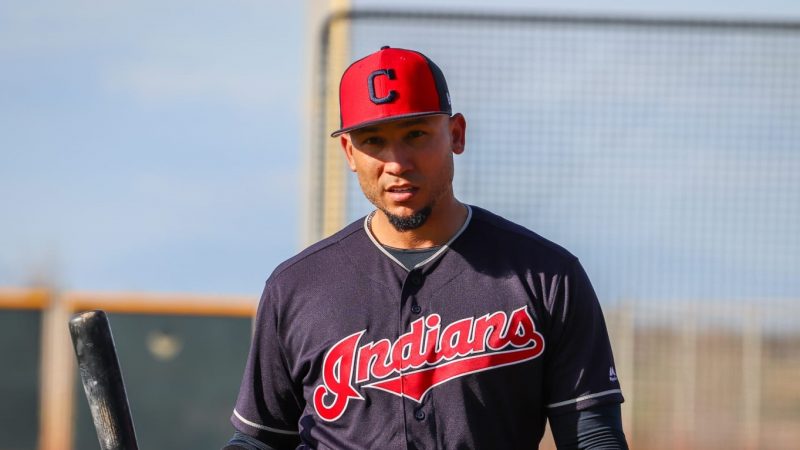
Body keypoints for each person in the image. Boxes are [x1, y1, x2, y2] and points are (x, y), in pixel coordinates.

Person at [224, 46, 628, 449]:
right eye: (373, 141)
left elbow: (593, 437)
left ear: (456, 135)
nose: (397, 163)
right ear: (349, 152)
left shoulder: (546, 276)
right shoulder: (297, 287)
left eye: (415, 134)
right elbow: (261, 440)